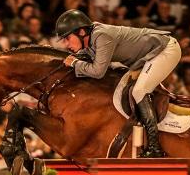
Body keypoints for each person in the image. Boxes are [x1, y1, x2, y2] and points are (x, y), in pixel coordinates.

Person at [56, 9, 181, 157]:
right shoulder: (91, 38)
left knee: (139, 91)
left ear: (81, 32)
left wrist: (75, 63)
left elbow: (97, 71)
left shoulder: (101, 35)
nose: (65, 44)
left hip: (165, 50)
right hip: (148, 55)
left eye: (67, 38)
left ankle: (155, 147)